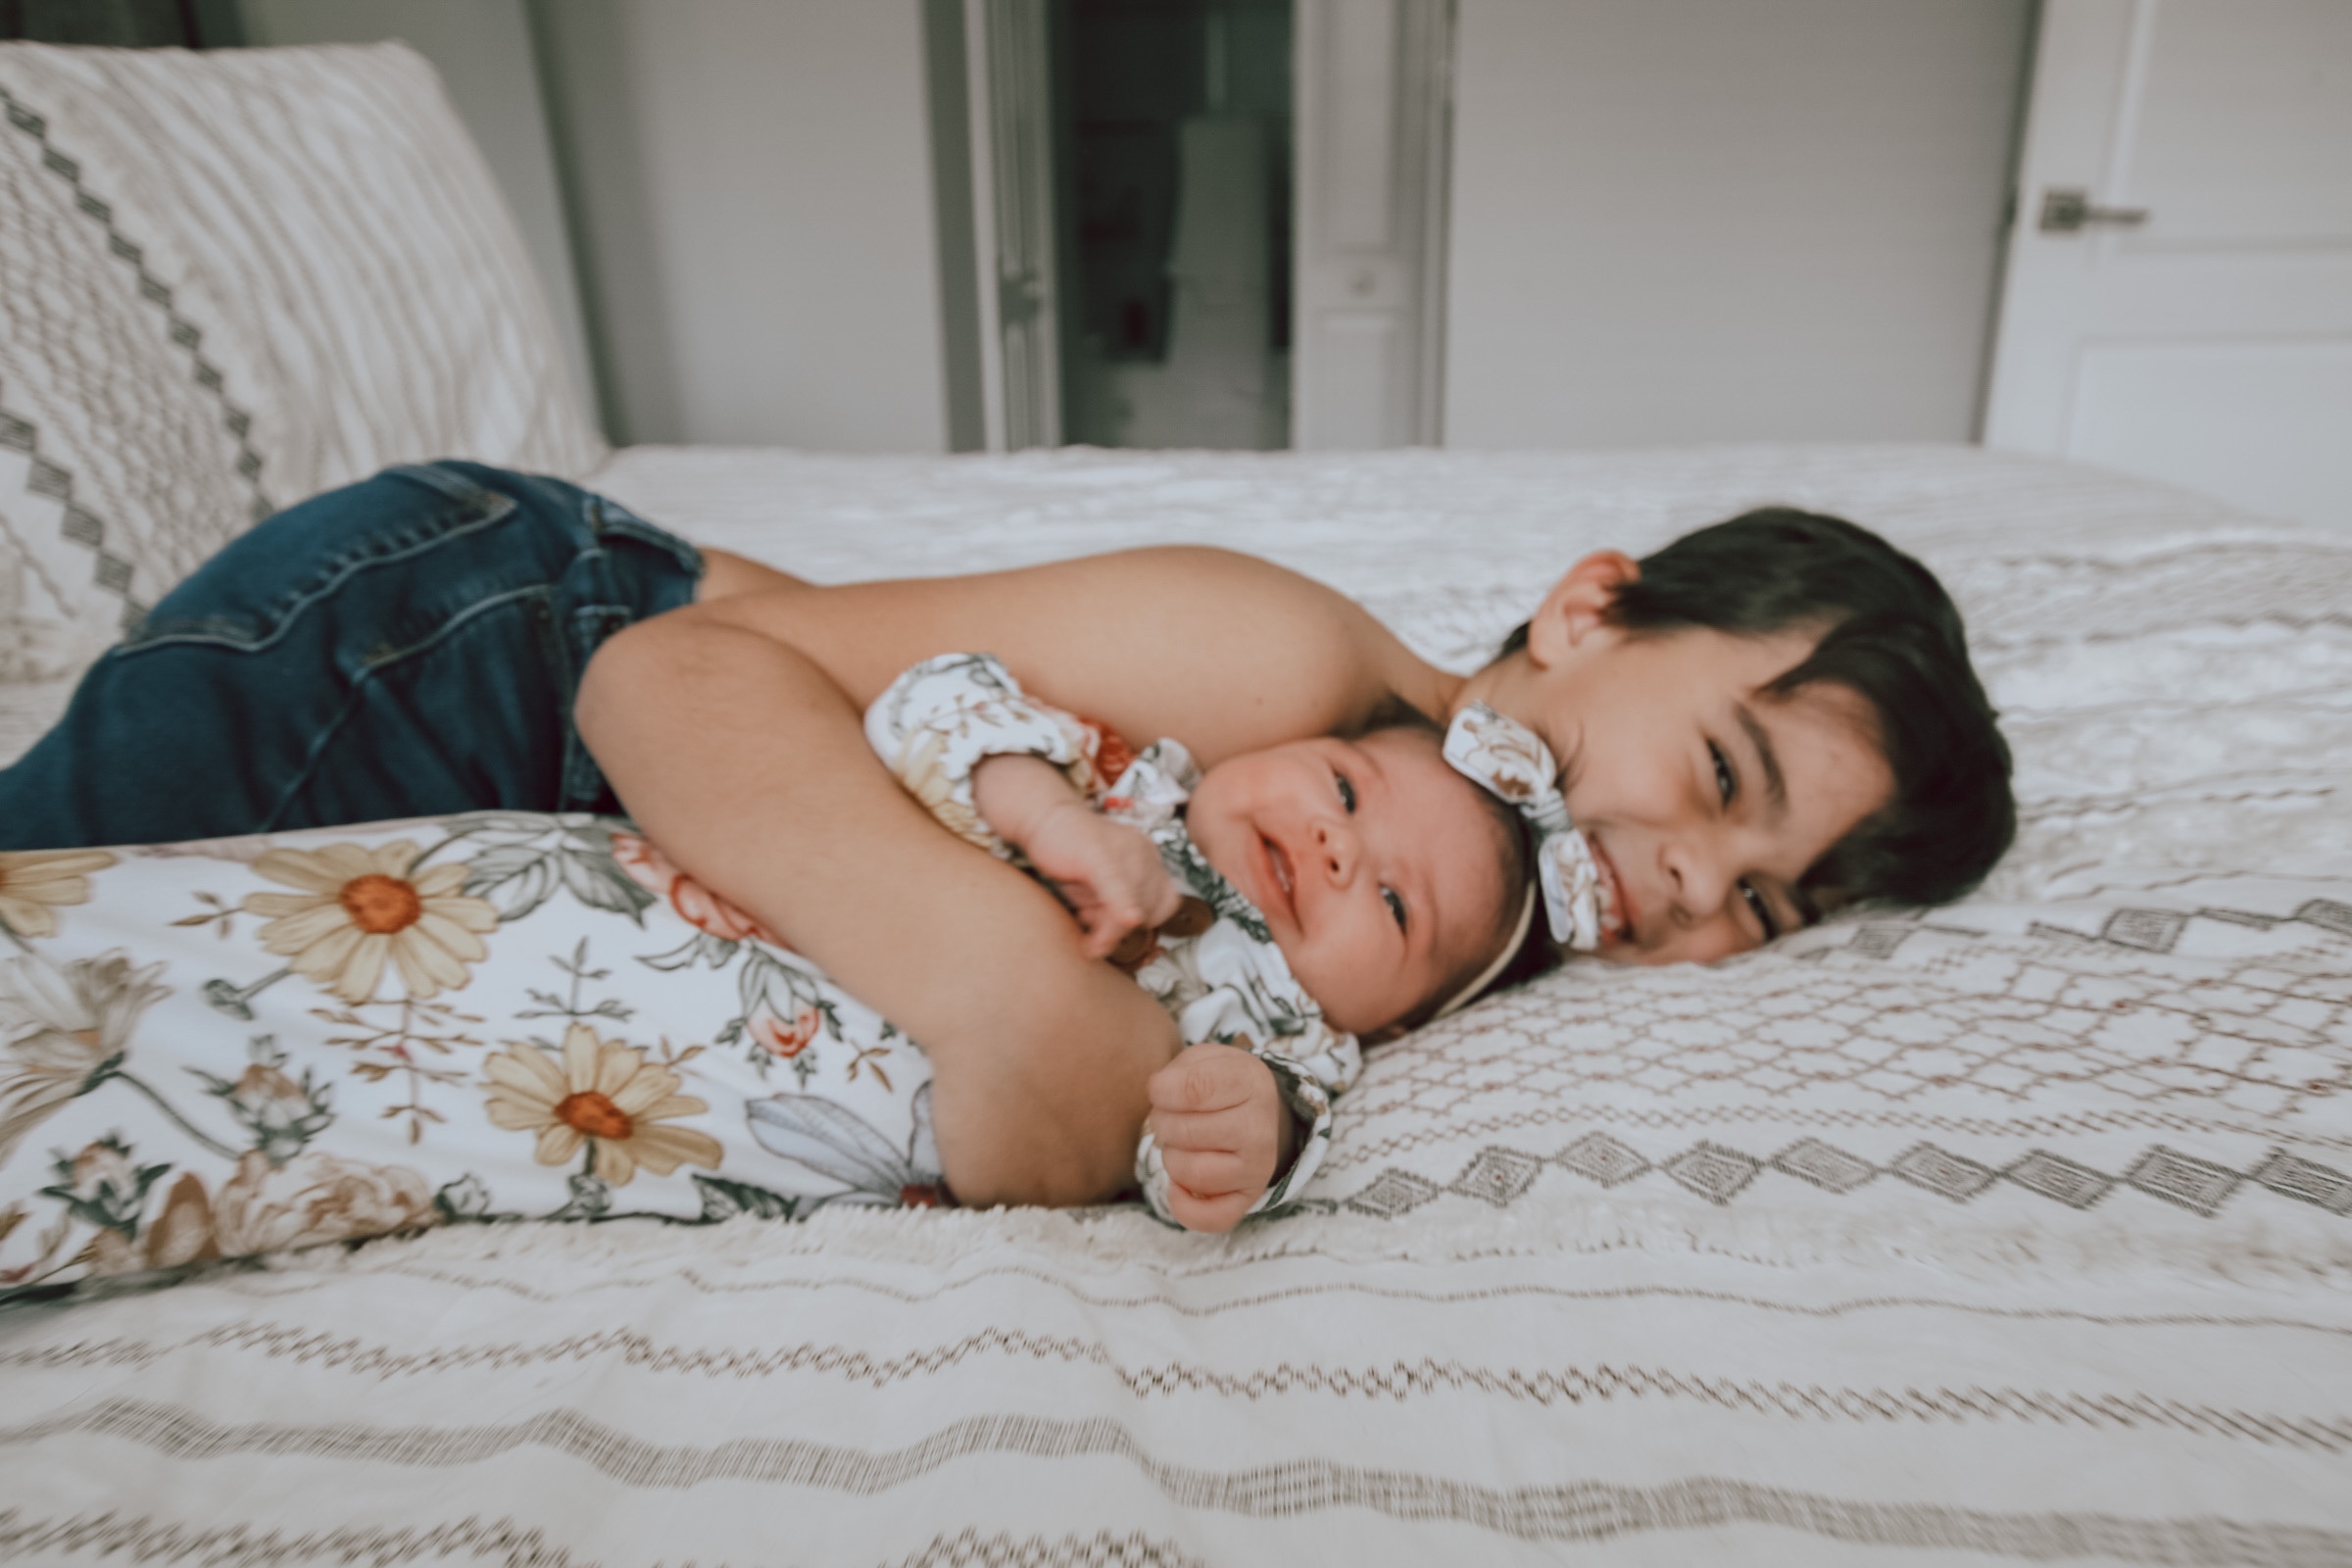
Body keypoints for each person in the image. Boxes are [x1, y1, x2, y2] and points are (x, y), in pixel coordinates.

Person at [0, 461, 2016, 1213]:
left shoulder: (1460, 922)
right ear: (1589, 611)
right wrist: (995, 986)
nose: (1692, 879)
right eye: (1724, 778)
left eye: (1764, 902)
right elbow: (665, 680)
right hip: (482, 640)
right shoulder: (1291, 672)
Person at [861, 651, 1547, 1231]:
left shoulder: (1288, 1048)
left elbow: (1196, 1165)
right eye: (1344, 789)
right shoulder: (1119, 786)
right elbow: (929, 694)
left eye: (1395, 904)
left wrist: (1241, 1135)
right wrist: (1046, 814)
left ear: (1396, 1023)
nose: (1338, 846)